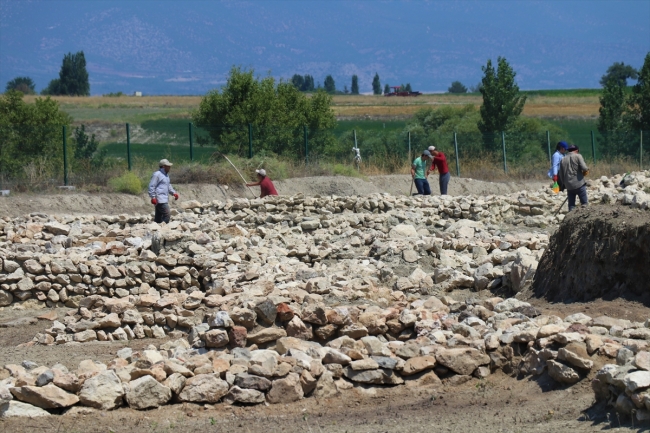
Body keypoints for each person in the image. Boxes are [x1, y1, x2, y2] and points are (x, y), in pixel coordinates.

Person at [558, 145, 589, 211]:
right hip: (579, 183)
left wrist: (564, 184)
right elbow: (584, 168)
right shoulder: (578, 156)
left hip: (569, 186)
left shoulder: (563, 159)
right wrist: (586, 170)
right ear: (577, 150)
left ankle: (570, 217)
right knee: (584, 204)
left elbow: (560, 174)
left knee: (571, 205)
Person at [148, 159, 179, 224]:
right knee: (167, 215)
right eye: (168, 166)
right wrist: (153, 197)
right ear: (163, 166)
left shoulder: (166, 176)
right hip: (159, 199)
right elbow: (151, 186)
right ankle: (163, 227)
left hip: (164, 198)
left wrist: (174, 193)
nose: (169, 167)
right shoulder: (157, 174)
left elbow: (168, 186)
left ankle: (155, 228)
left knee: (158, 217)